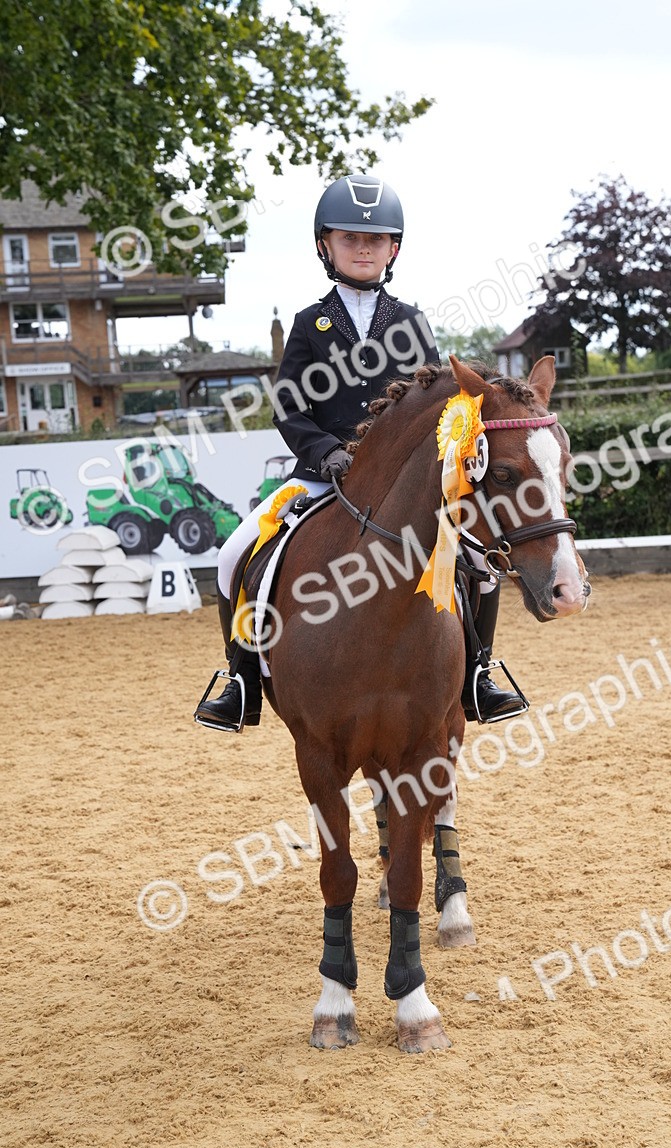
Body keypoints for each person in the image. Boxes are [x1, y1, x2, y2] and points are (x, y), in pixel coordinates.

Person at [194, 174, 523, 732]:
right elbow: (288, 410)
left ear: (395, 248)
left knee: (481, 568)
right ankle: (242, 679)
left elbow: (442, 407)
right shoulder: (308, 325)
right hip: (324, 479)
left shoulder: (412, 323)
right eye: (350, 238)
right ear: (325, 245)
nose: (363, 248)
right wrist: (326, 454)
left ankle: (479, 674)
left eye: (375, 239)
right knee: (234, 555)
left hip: (405, 487)